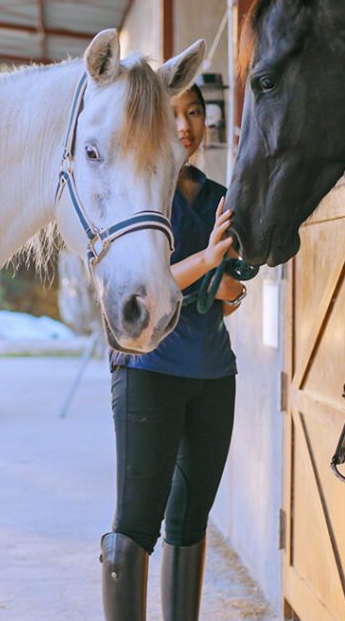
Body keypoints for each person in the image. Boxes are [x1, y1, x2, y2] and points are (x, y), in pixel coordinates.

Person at [101, 83, 246, 621]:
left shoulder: (218, 197)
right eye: (174, 114)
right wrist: (209, 262)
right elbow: (145, 285)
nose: (185, 124)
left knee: (190, 519)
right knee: (137, 522)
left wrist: (232, 289)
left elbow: (222, 299)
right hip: (149, 371)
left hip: (213, 374)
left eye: (195, 113)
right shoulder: (138, 191)